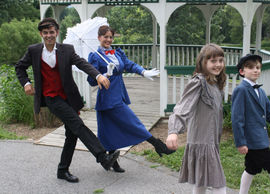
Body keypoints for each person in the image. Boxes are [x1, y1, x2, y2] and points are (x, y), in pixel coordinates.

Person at [15, 18, 120, 183]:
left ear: (57, 32)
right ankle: (102, 157)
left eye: (51, 32)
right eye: (45, 33)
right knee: (77, 124)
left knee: (72, 135)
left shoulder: (67, 50)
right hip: (51, 97)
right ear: (41, 34)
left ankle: (62, 170)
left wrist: (98, 75)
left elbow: (82, 63)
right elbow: (19, 67)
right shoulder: (34, 51)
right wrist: (26, 83)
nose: (49, 35)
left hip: (68, 97)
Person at [87, 25, 174, 173]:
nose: (108, 39)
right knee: (132, 122)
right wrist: (105, 74)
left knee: (110, 129)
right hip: (107, 98)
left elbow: (128, 65)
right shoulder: (94, 56)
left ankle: (112, 163)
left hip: (119, 94)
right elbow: (91, 81)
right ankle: (158, 145)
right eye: (105, 36)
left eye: (110, 37)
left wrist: (143, 71)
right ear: (99, 38)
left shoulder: (117, 53)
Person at [166, 43, 227, 194]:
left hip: (211, 142)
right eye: (213, 61)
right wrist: (173, 131)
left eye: (220, 60)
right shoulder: (199, 83)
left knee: (201, 183)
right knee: (219, 185)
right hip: (202, 142)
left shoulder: (215, 84)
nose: (218, 64)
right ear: (203, 62)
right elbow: (182, 107)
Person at [231, 54, 270, 194]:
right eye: (251, 67)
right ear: (242, 71)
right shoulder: (241, 90)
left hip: (260, 138)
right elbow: (237, 119)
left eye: (258, 67)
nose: (256, 70)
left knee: (252, 168)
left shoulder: (261, 91)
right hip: (253, 140)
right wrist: (240, 142)